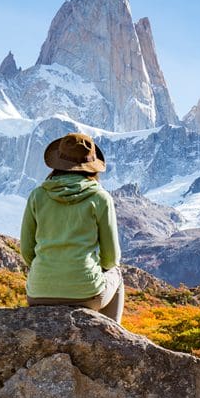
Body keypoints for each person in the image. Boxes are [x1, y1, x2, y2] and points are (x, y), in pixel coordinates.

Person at [20, 132, 125, 323]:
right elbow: (111, 258)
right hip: (87, 294)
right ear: (92, 167)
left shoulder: (37, 195)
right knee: (116, 273)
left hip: (38, 292)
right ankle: (111, 336)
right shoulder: (100, 198)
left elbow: (27, 252)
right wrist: (86, 272)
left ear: (57, 163)